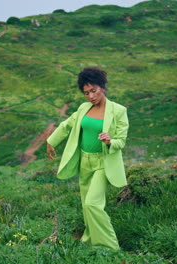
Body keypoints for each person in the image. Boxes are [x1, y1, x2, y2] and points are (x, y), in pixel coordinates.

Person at [46, 67, 129, 250]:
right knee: (86, 205)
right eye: (86, 93)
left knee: (93, 204)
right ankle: (89, 239)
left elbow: (121, 141)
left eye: (94, 91)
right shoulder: (84, 108)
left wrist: (110, 141)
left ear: (103, 87)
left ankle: (109, 248)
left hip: (103, 163)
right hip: (85, 162)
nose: (91, 96)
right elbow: (67, 124)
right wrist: (51, 141)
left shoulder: (118, 111)